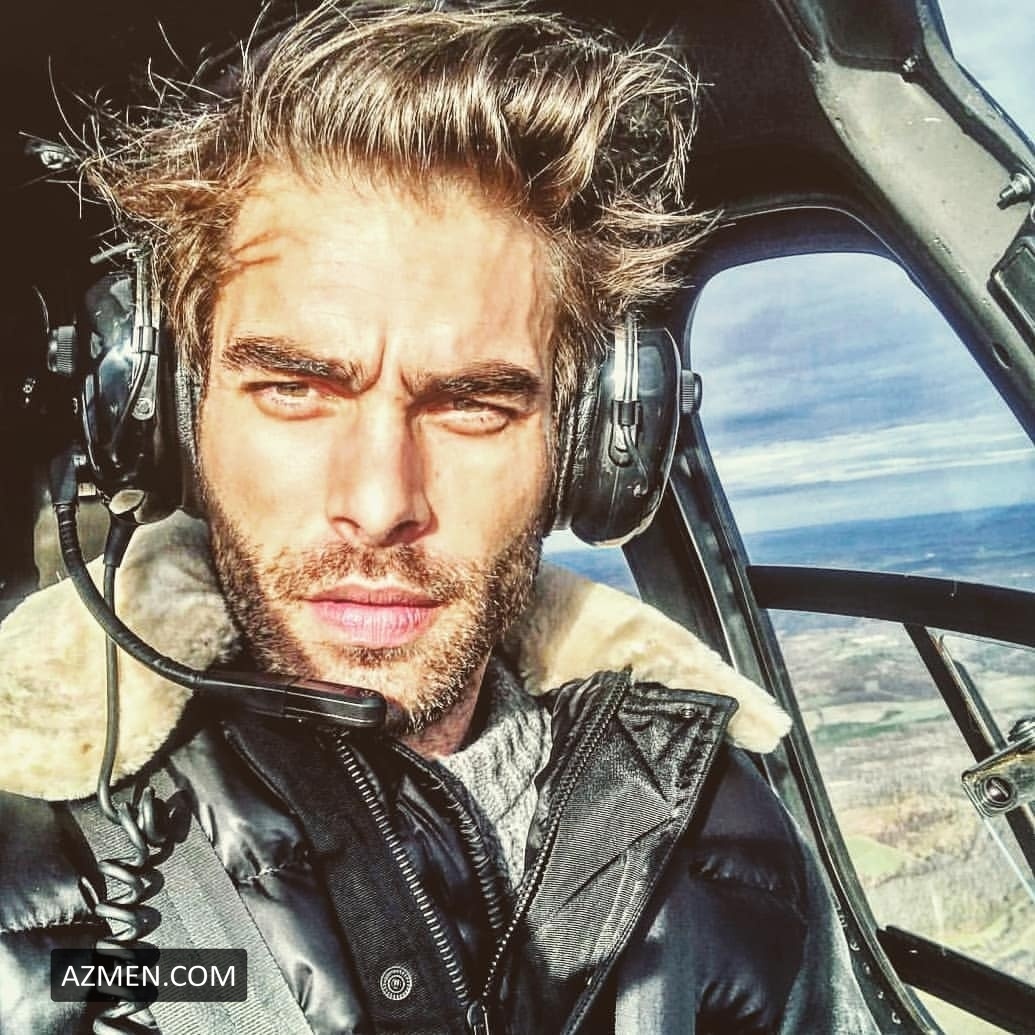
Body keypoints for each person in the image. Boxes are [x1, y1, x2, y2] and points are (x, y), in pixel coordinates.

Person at [0, 3, 879, 1032]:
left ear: (590, 443)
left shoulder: (732, 840)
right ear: (165, 414)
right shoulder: (30, 853)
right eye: (294, 389)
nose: (380, 505)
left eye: (472, 403)